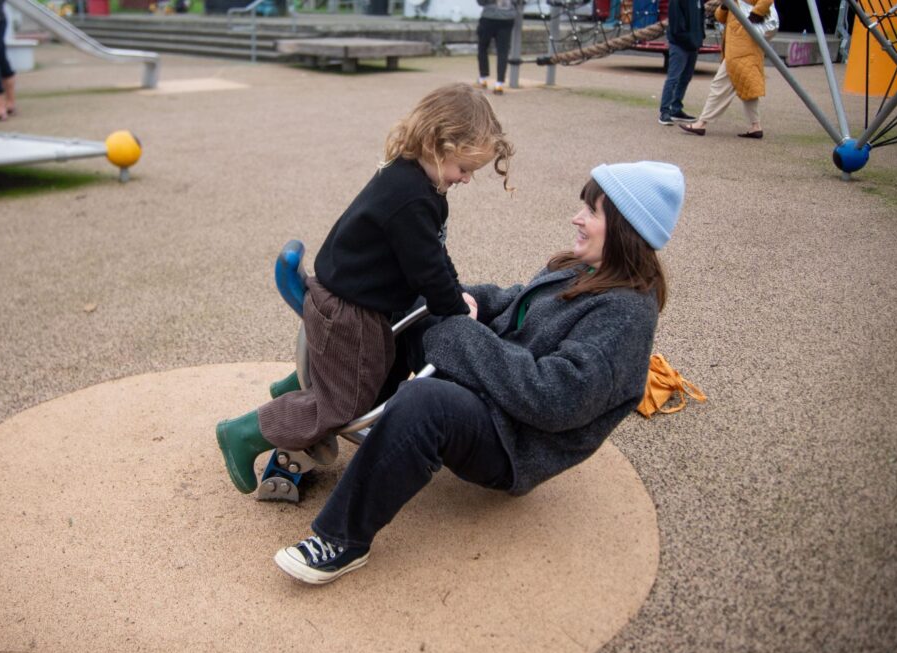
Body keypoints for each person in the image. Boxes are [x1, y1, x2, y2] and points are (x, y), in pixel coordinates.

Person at [272, 160, 686, 585]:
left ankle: (341, 540)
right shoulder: (585, 266)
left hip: (514, 439)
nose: (576, 218)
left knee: (425, 404)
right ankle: (343, 403)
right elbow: (517, 303)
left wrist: (464, 336)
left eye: (592, 212)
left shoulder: (625, 314)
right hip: (498, 388)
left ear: (627, 230)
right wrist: (455, 297)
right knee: (412, 305)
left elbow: (556, 399)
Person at [216, 83, 515, 495]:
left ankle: (296, 388)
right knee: (346, 405)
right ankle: (246, 433)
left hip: (350, 298)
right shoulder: (411, 199)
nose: (465, 179)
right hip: (349, 310)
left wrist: (456, 291)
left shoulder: (415, 181)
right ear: (437, 145)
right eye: (464, 168)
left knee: (376, 364)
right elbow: (427, 271)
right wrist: (455, 309)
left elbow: (434, 252)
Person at [679, 0, 774, 139]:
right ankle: (756, 126)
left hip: (740, 49)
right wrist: (724, 6)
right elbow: (721, 18)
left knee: (719, 86)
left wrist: (756, 13)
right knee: (748, 89)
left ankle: (702, 123)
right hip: (741, 47)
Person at [658, 0, 706, 126]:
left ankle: (676, 108)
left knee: (685, 78)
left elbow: (700, 16)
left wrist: (699, 37)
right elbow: (676, 23)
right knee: (673, 78)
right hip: (680, 43)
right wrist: (689, 38)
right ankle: (665, 111)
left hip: (693, 42)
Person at [475, 0, 518, 95]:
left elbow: (481, 2)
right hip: (507, 17)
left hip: (489, 17)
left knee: (483, 47)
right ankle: (499, 83)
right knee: (503, 51)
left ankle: (483, 78)